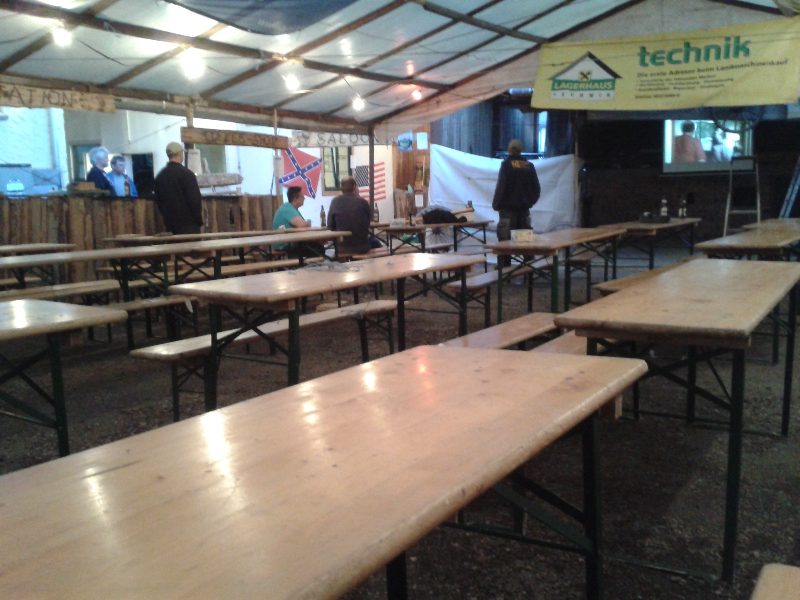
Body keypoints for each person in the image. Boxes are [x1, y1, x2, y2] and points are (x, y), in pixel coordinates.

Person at [491, 139, 540, 241]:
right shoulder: (528, 166)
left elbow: (501, 187)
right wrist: (528, 203)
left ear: (508, 150)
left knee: (505, 245)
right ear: (521, 150)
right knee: (524, 244)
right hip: (523, 212)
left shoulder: (506, 165)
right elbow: (536, 189)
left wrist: (496, 205)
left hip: (507, 212)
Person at [153, 142, 204, 234]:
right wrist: (198, 221)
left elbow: (158, 201)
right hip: (189, 226)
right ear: (181, 154)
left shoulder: (160, 176)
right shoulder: (187, 175)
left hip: (170, 226)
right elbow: (194, 201)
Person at [328, 176, 374, 255]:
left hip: (342, 247)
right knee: (376, 242)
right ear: (354, 187)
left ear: (342, 188)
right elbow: (368, 223)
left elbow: (330, 225)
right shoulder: (363, 202)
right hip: (362, 247)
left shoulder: (335, 202)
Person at [272, 186, 323, 257]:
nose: (304, 198)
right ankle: (304, 263)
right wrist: (308, 223)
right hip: (285, 244)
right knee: (317, 248)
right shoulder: (287, 209)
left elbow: (303, 226)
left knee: (317, 247)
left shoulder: (290, 208)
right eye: (302, 196)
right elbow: (303, 225)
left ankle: (305, 263)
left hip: (289, 242)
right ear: (295, 199)